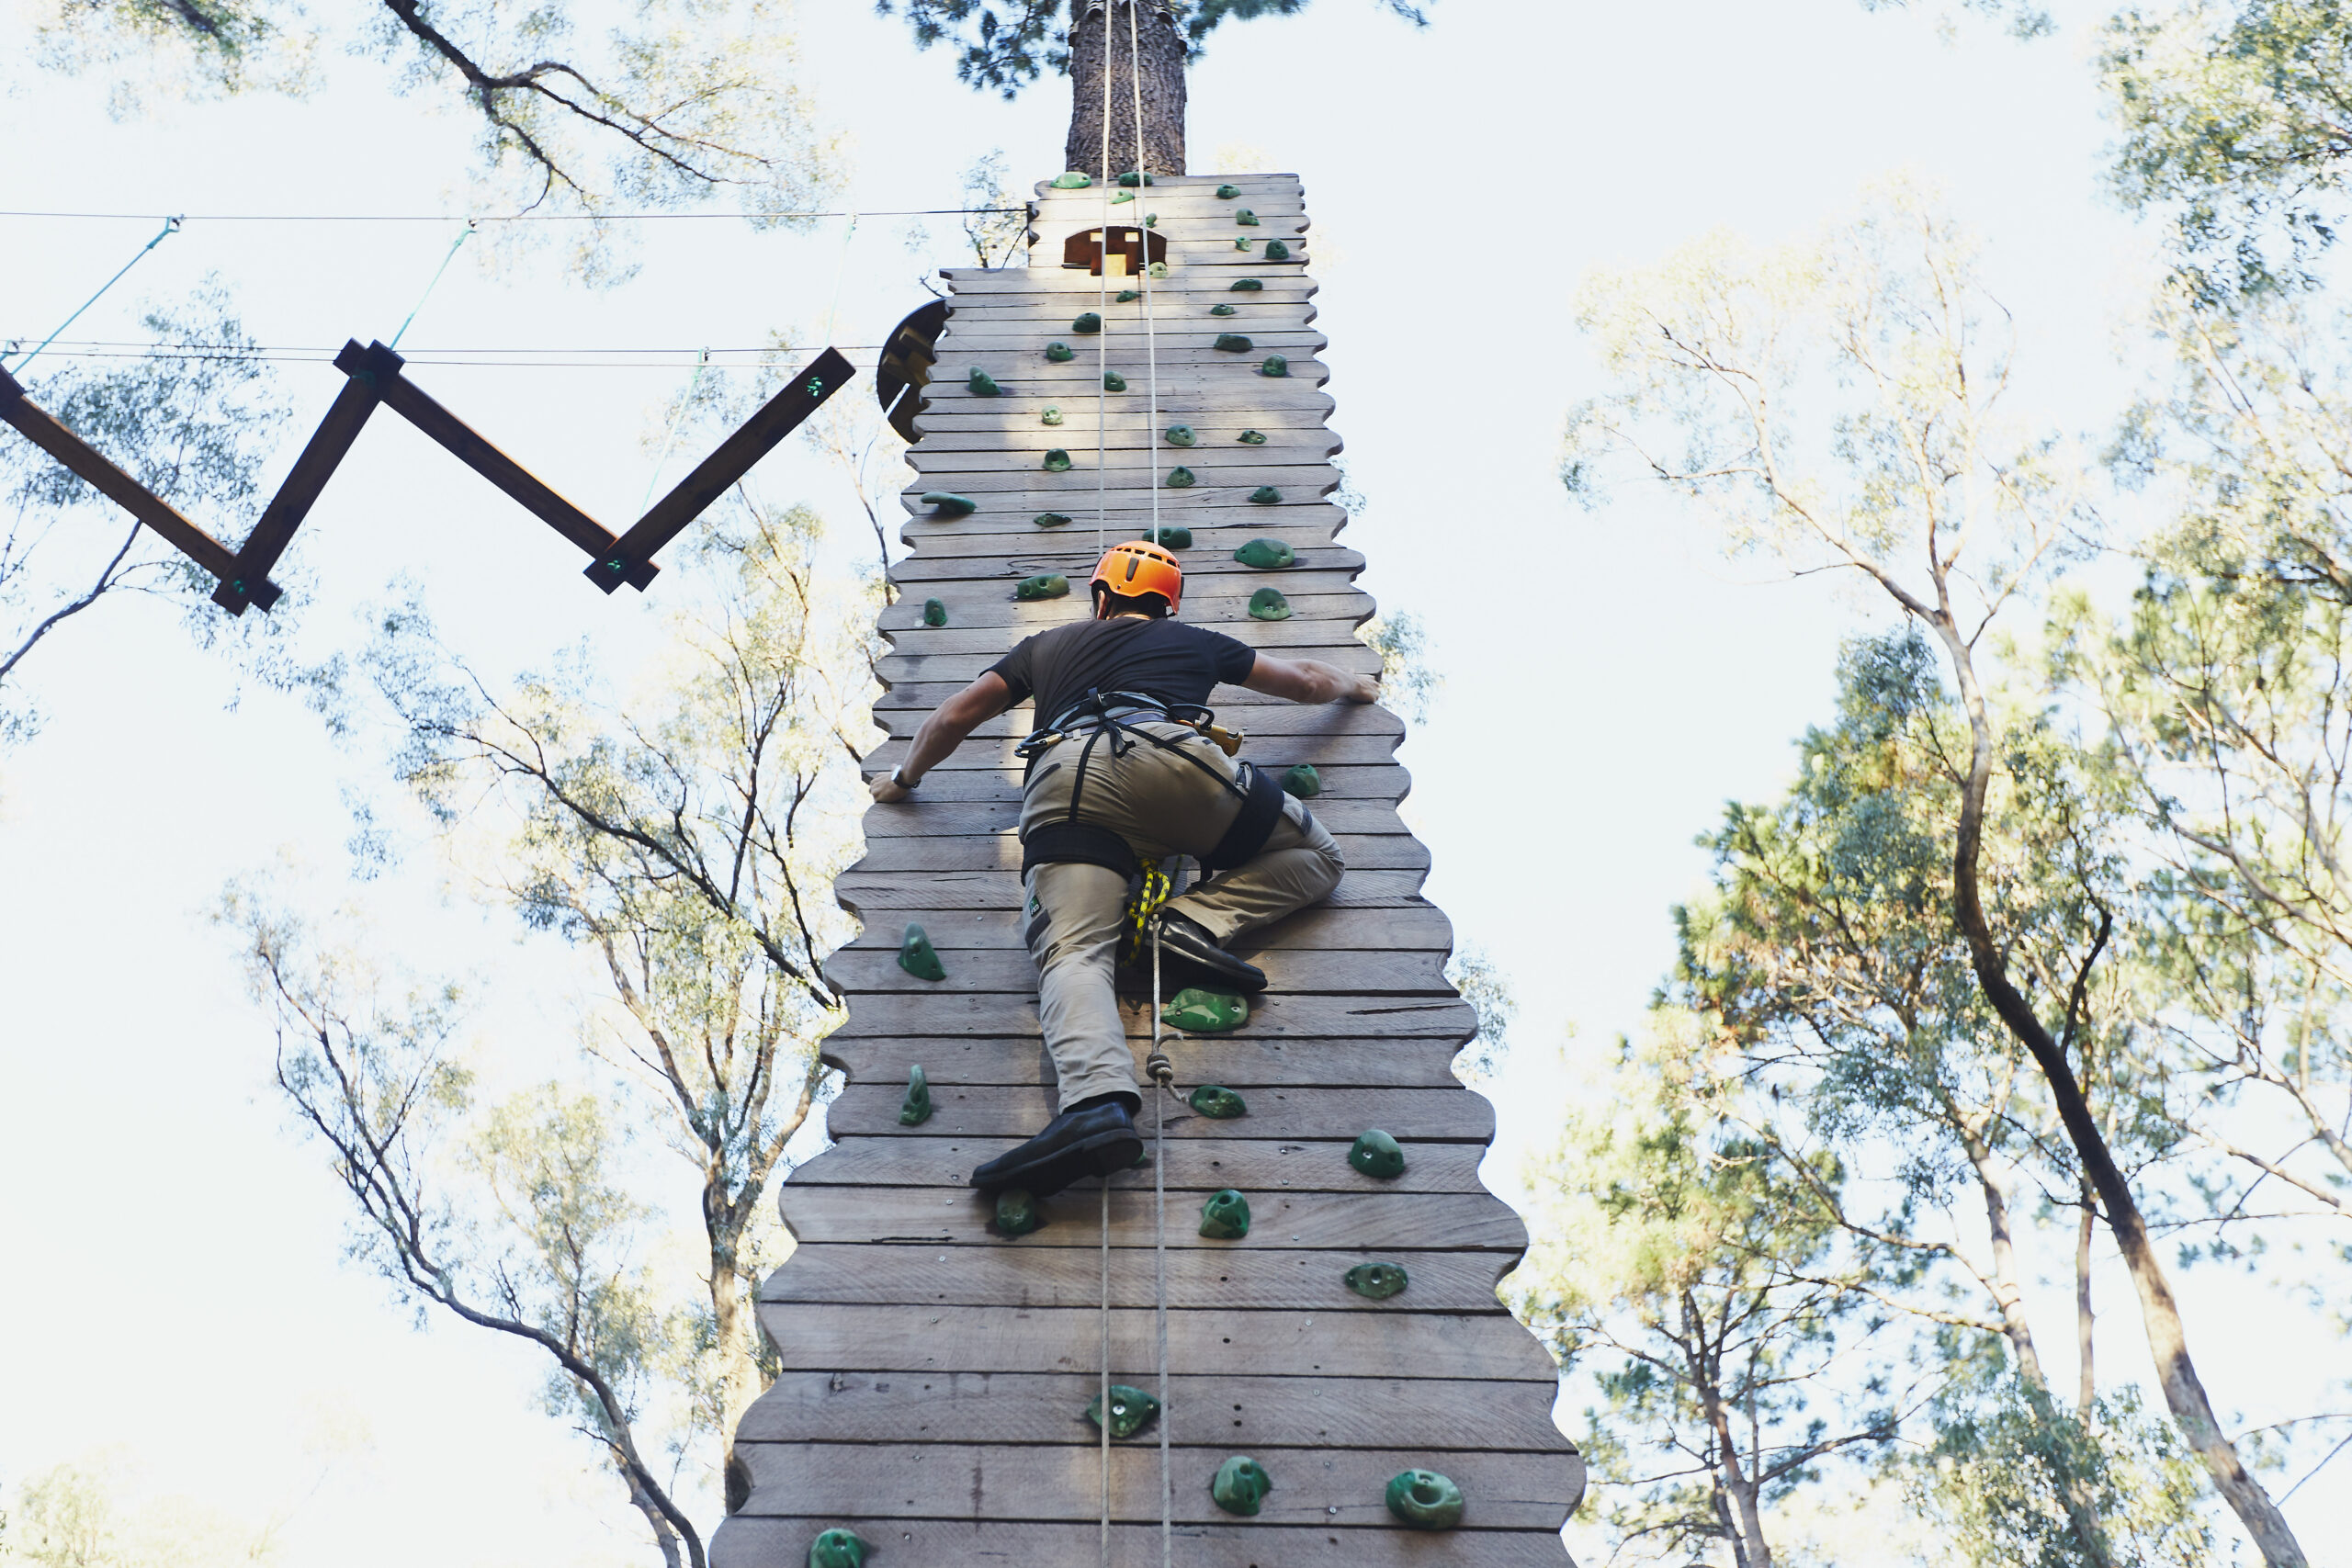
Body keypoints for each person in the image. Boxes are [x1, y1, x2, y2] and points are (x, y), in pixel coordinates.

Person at [869, 539, 1379, 1197]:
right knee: (1316, 856)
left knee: (1074, 955)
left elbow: (954, 715)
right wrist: (1352, 686)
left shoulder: (1044, 646)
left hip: (1064, 783)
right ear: (1166, 607)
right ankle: (1187, 923)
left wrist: (904, 778)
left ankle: (1096, 1107)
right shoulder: (1196, 642)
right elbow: (1306, 681)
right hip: (1167, 759)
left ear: (1101, 597)